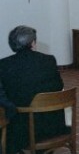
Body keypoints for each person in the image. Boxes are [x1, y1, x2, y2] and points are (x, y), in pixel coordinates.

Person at [0, 26, 69, 154]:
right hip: (54, 126)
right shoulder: (49, 60)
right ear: (33, 43)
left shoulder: (4, 65)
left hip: (23, 133)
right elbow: (59, 86)